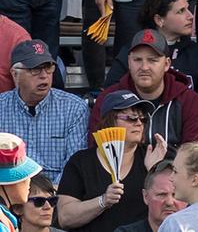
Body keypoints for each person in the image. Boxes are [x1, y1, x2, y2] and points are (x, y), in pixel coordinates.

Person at [0, 40, 89, 182]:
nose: (44, 75)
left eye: (48, 67)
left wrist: (49, 195)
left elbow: (75, 165)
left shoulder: (74, 108)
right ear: (15, 74)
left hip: (57, 194)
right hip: (9, 192)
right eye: (35, 69)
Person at [58, 93, 166, 232]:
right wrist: (103, 201)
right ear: (110, 120)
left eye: (142, 118)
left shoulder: (151, 156)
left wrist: (154, 172)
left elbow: (169, 208)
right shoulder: (81, 162)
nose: (138, 123)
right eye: (131, 118)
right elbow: (65, 218)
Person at [93, 28, 198, 146]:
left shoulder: (189, 101)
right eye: (137, 60)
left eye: (152, 60)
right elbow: (96, 151)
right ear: (129, 62)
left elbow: (194, 157)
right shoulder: (108, 99)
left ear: (167, 64)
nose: (144, 67)